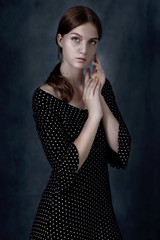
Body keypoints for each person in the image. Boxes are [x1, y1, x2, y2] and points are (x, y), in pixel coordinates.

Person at [29, 5, 131, 240]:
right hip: (61, 219)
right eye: (76, 39)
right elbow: (65, 171)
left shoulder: (102, 88)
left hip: (101, 216)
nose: (84, 49)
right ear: (60, 39)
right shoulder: (45, 97)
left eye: (92, 42)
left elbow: (122, 152)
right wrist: (94, 116)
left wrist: (100, 98)